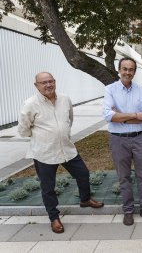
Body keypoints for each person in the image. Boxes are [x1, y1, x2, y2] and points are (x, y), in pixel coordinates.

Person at [18, 72, 104, 234]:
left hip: (66, 148)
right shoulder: (30, 104)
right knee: (48, 187)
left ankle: (85, 200)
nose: (48, 85)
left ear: (55, 82)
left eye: (50, 81)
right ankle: (54, 218)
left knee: (83, 173)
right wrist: (41, 137)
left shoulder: (65, 99)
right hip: (44, 152)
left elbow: (69, 120)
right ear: (36, 85)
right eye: (43, 82)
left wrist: (60, 132)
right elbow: (23, 130)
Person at [103, 57, 142, 226]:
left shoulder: (140, 90)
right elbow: (108, 116)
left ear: (134, 72)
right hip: (118, 140)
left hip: (139, 138)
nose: (128, 72)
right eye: (124, 69)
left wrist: (120, 117)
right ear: (119, 70)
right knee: (124, 177)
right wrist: (135, 116)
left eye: (131, 69)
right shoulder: (110, 89)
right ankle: (128, 211)